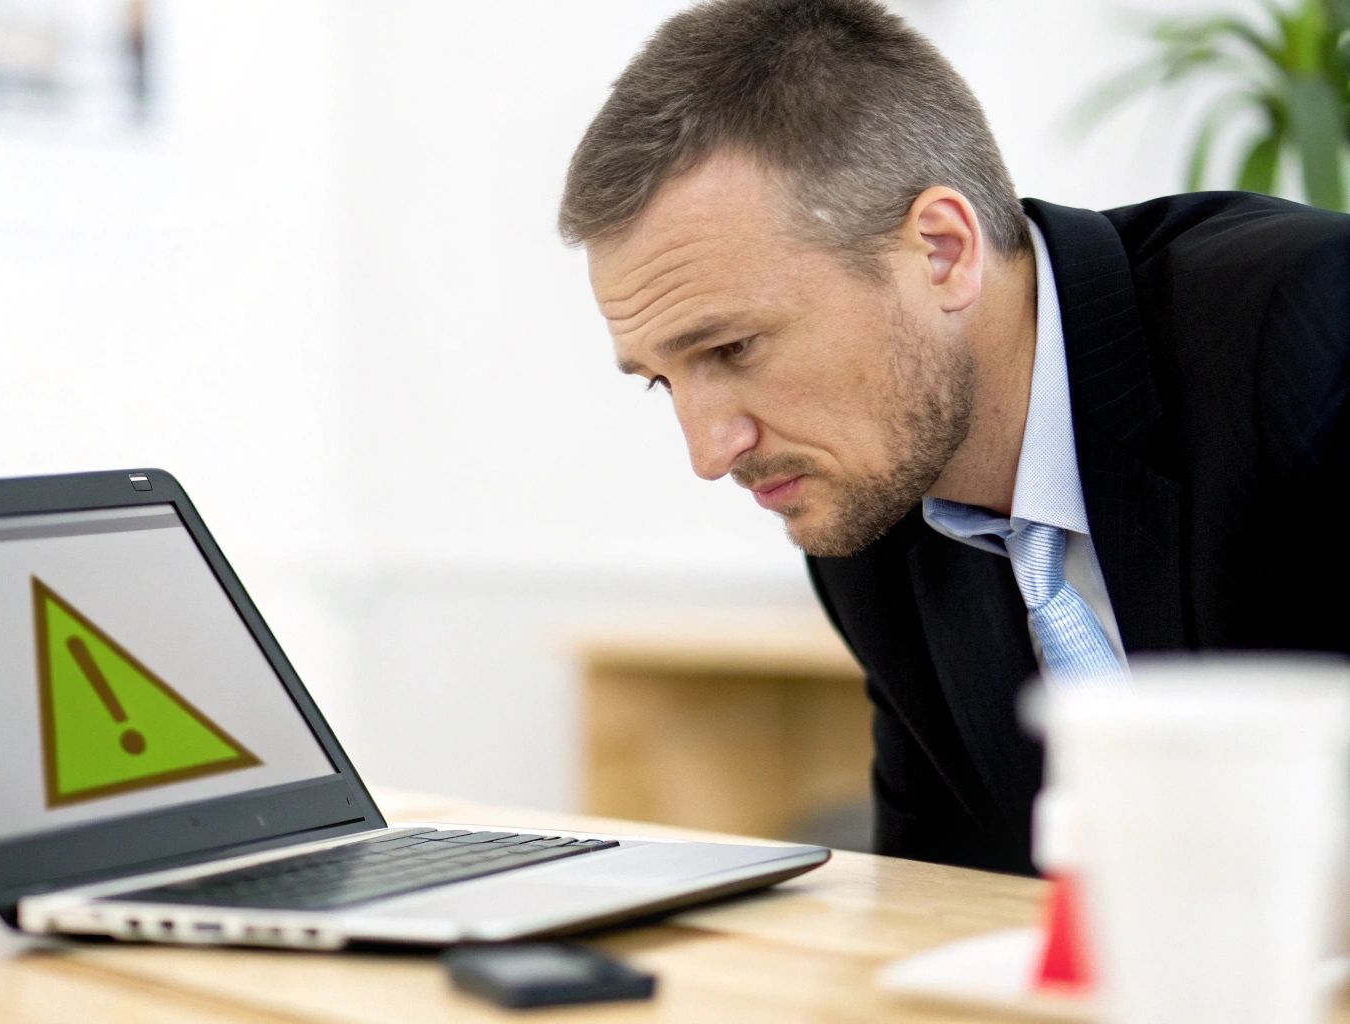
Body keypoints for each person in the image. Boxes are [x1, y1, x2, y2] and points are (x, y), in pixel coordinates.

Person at [557, 0, 1350, 873]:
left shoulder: (1312, 330)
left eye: (734, 347)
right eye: (664, 381)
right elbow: (944, 903)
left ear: (941, 249)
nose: (711, 453)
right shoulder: (868, 510)